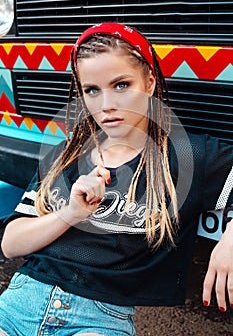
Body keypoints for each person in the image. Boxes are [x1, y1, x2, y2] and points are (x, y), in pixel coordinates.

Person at [0, 22, 232, 336]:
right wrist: (70, 213)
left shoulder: (187, 156)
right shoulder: (65, 156)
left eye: (121, 84)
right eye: (92, 90)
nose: (106, 104)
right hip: (19, 303)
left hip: (96, 321)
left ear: (149, 83)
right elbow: (11, 244)